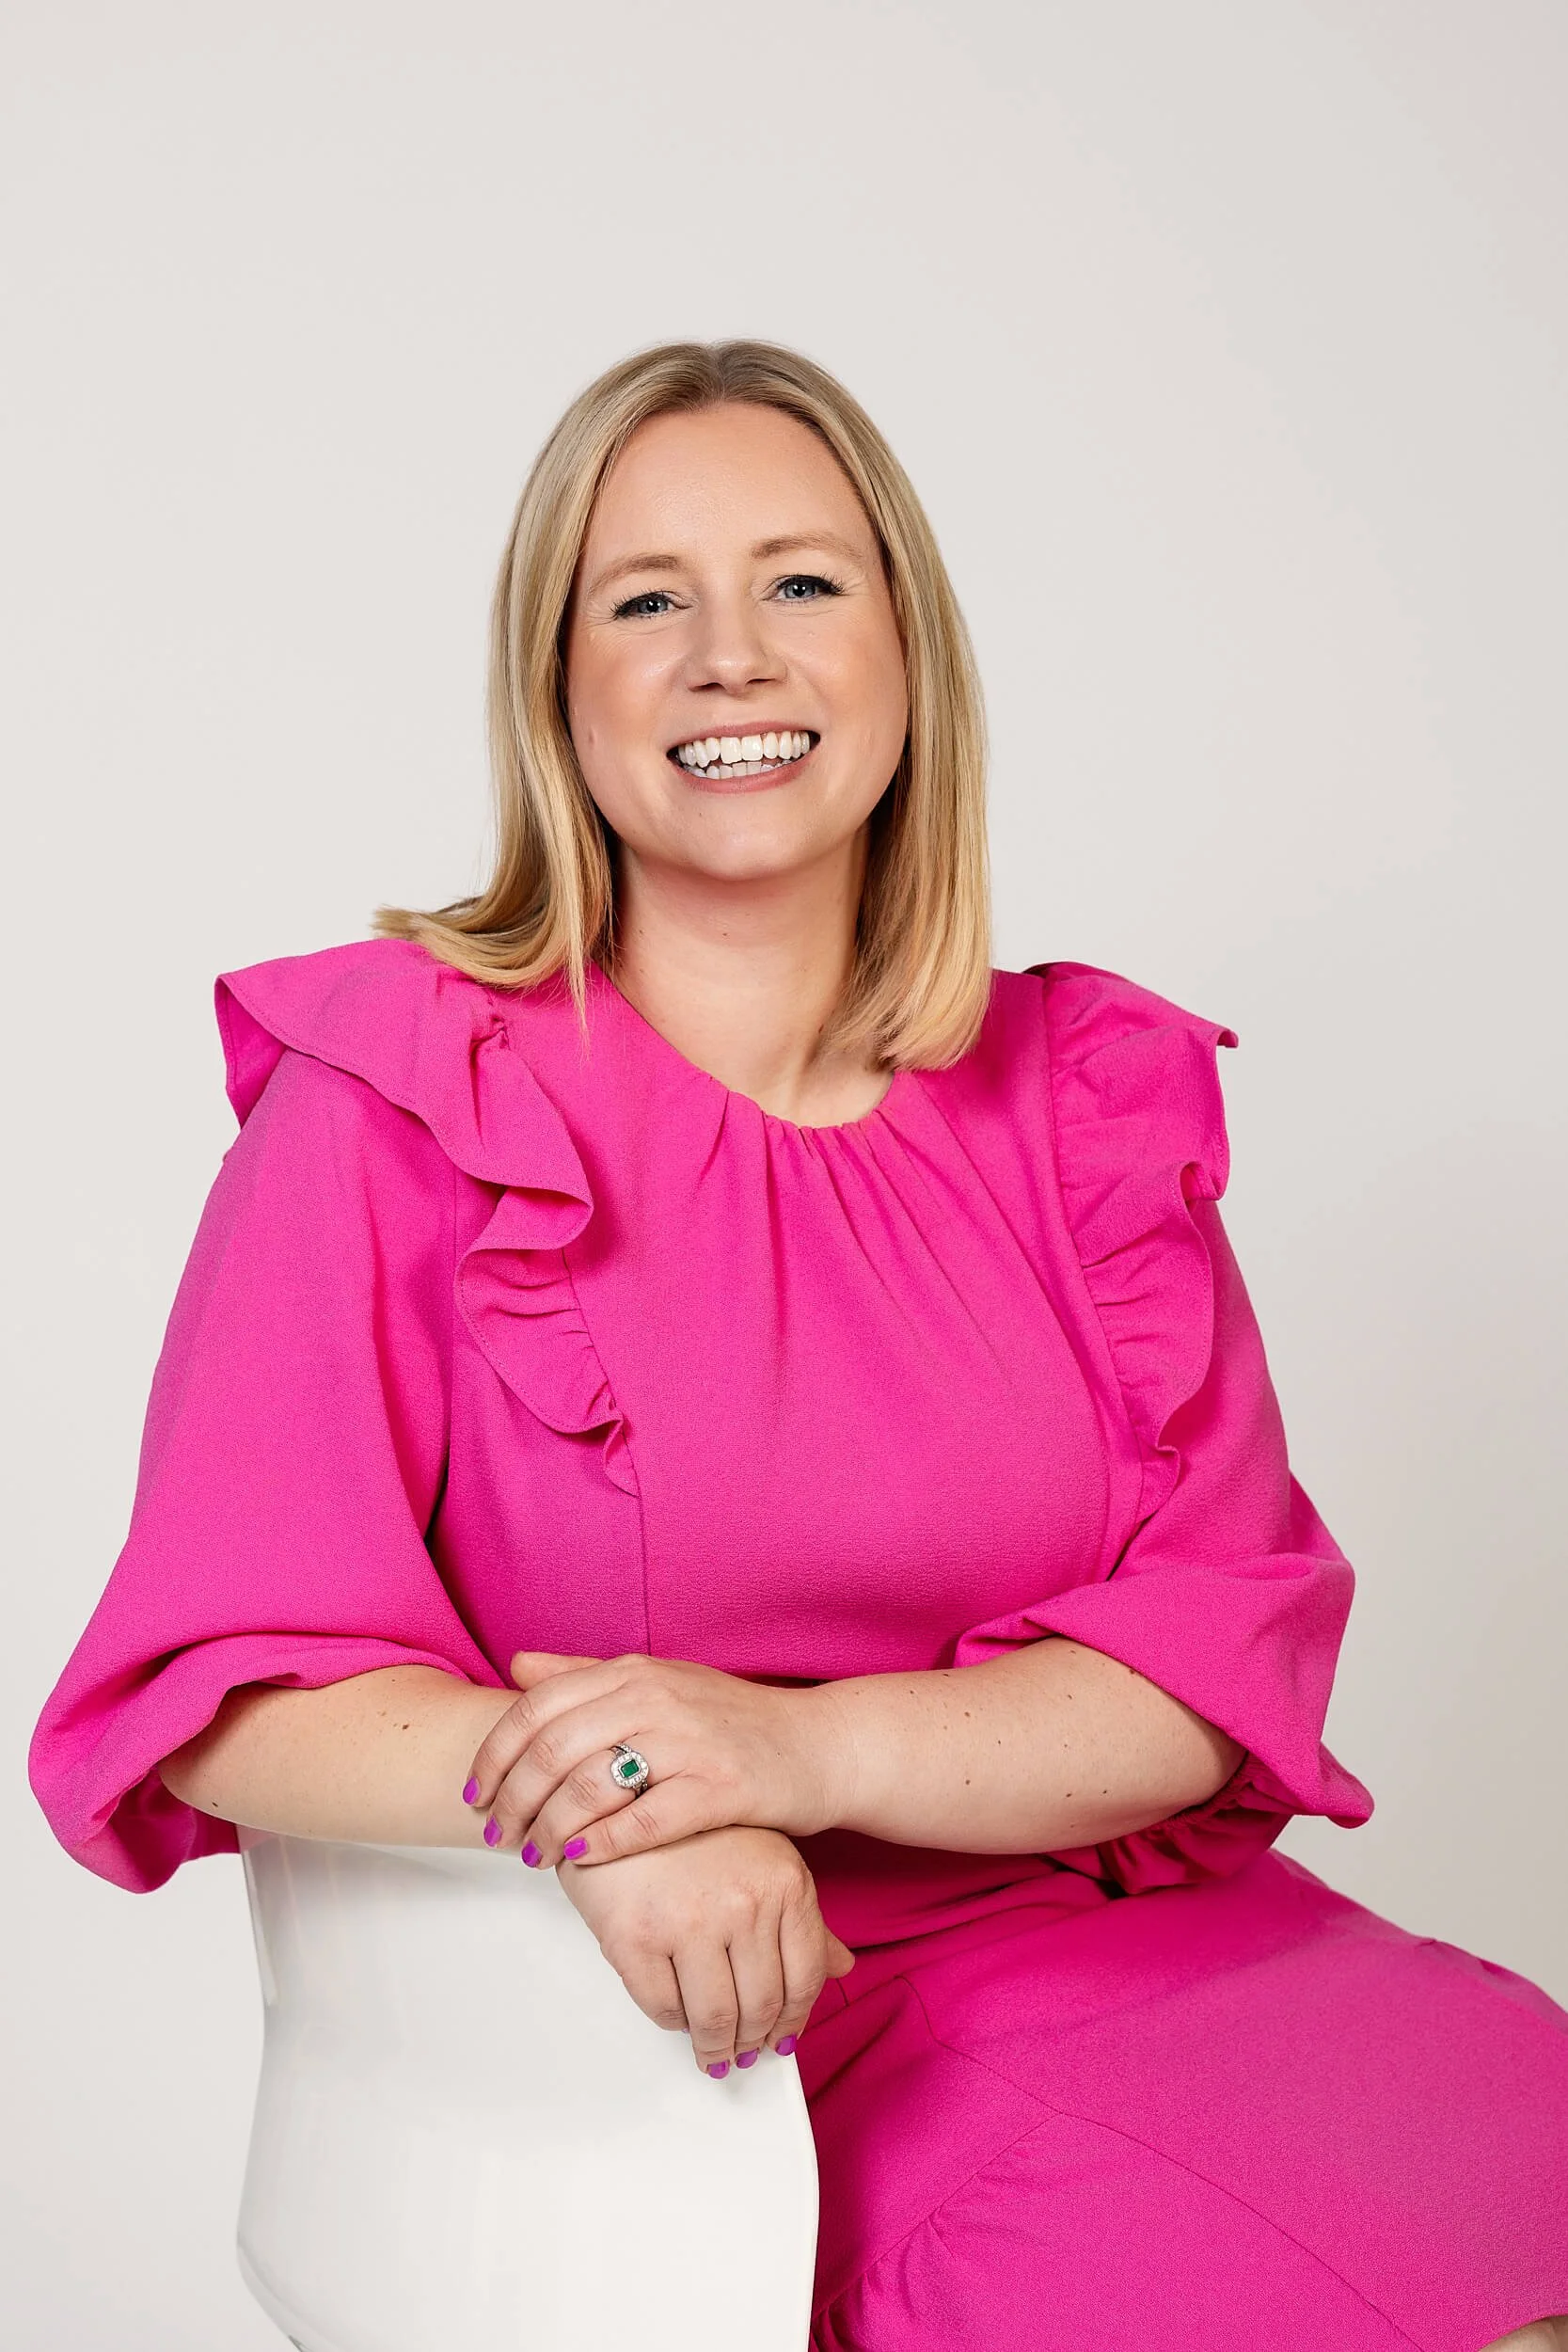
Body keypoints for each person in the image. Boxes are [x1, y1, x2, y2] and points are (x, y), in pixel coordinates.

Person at [29, 340, 1568, 2350]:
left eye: (802, 583)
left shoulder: (1081, 1104)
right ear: (554, 690)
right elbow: (211, 1685)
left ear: (905, 659)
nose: (729, 654)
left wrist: (793, 1740)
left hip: (1179, 1947)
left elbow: (1209, 1663)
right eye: (644, 598)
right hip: (720, 2044)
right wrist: (631, 1802)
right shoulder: (396, 1105)